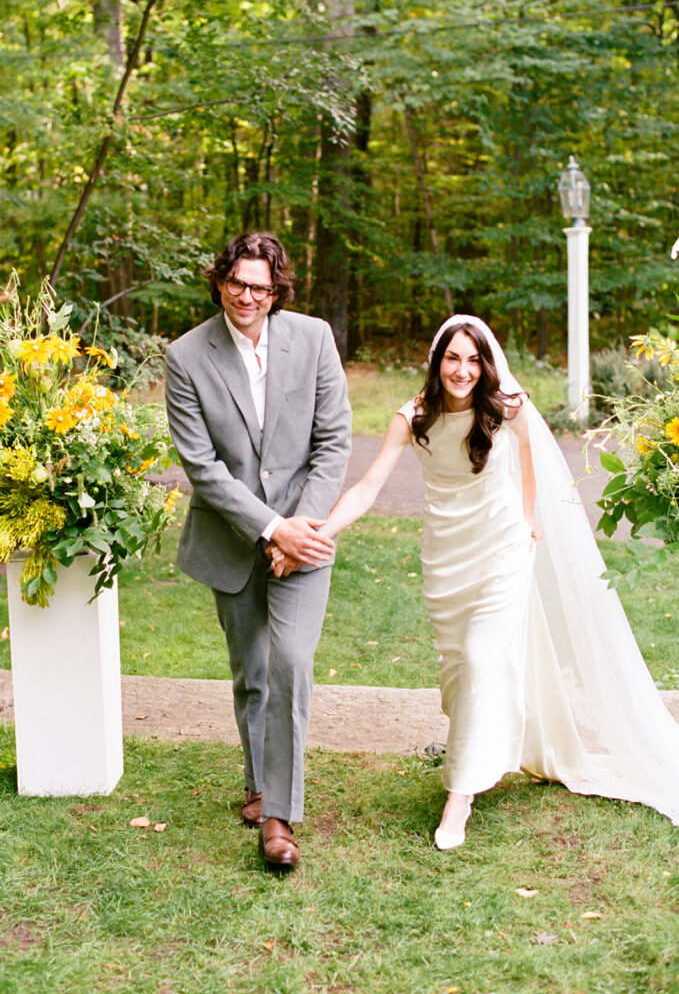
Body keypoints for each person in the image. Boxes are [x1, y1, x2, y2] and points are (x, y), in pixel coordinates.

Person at [274, 314, 679, 848]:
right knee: (463, 670)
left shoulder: (507, 410)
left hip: (503, 548)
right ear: (437, 361)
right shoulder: (412, 417)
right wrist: (318, 532)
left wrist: (530, 515)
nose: (462, 371)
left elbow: (530, 457)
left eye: (472, 359)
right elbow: (368, 487)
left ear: (486, 365)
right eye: (452, 358)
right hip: (446, 558)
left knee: (484, 656)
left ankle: (459, 798)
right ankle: (488, 746)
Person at [165, 232, 351, 868]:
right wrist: (272, 528)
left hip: (308, 534)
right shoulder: (186, 356)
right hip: (232, 537)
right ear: (221, 281)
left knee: (290, 663)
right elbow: (203, 466)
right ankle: (257, 783)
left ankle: (279, 818)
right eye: (237, 283)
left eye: (260, 288)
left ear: (278, 292)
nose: (247, 296)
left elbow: (334, 443)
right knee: (251, 674)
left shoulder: (315, 338)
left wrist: (299, 530)